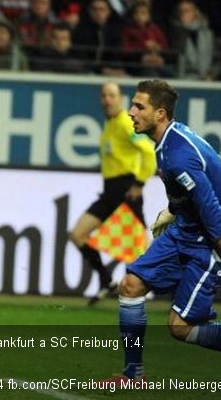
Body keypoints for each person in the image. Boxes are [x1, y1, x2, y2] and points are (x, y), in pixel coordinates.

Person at [106, 80, 221, 385]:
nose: (131, 112)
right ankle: (133, 375)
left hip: (212, 239)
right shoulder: (169, 141)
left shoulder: (178, 154)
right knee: (130, 286)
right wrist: (175, 210)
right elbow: (197, 194)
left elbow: (211, 208)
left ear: (160, 113)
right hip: (187, 230)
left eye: (139, 106)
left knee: (179, 327)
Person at [69, 82, 156, 305]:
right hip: (110, 193)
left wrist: (139, 183)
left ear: (121, 99)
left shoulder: (126, 123)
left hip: (127, 191)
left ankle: (174, 293)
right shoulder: (110, 125)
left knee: (141, 250)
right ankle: (107, 281)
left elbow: (148, 152)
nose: (107, 99)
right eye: (104, 95)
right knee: (78, 234)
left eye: (112, 95)